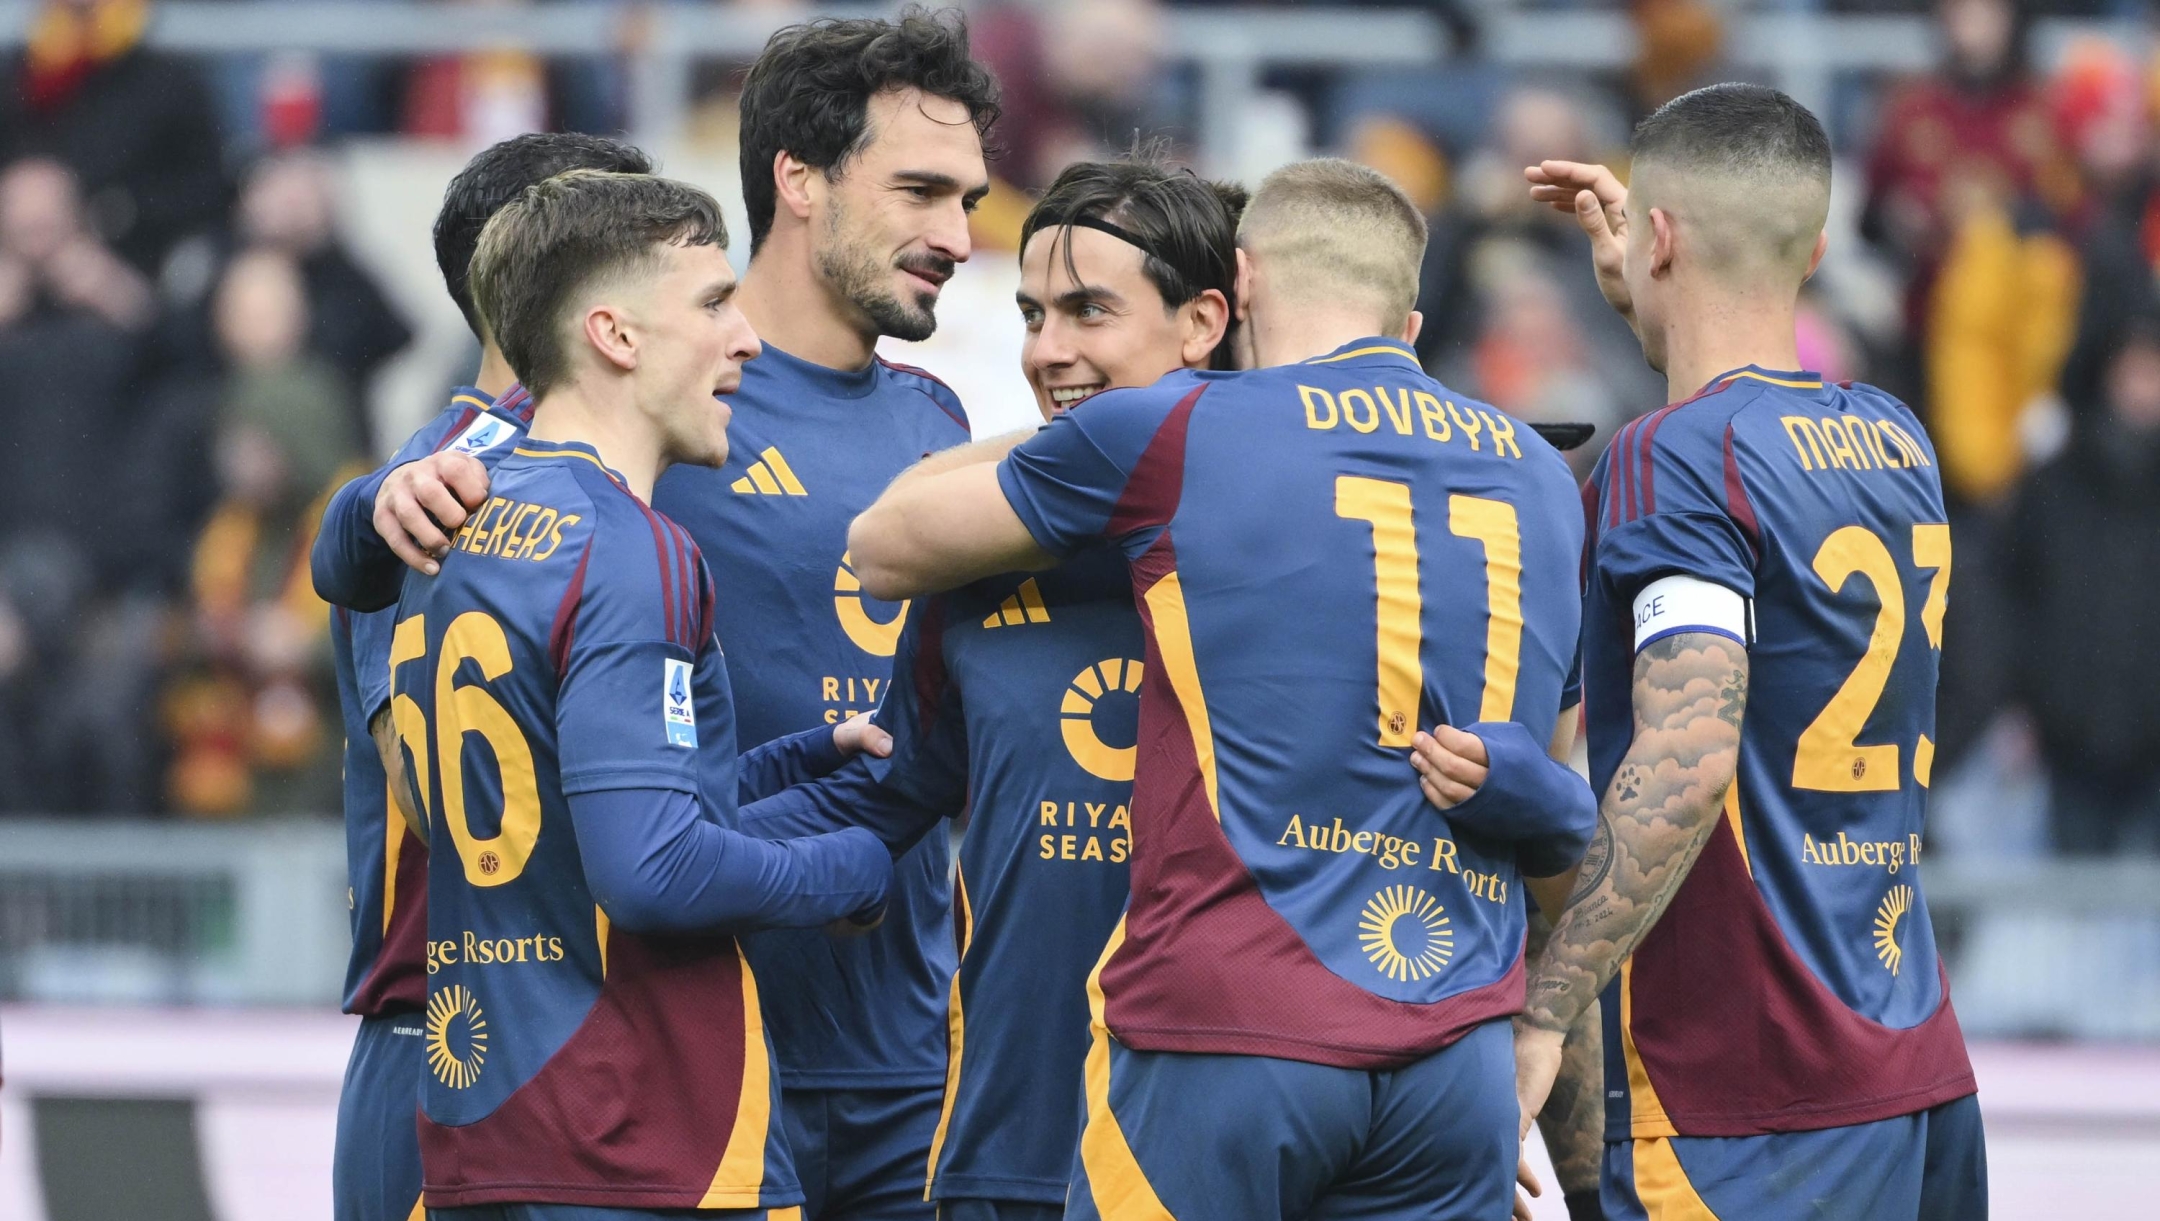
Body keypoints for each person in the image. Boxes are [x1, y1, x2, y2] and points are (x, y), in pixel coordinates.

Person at [327, 14, 1001, 1220]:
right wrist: (381, 496)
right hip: (668, 1047)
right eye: (920, 190)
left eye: (969, 197)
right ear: (799, 179)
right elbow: (375, 548)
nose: (958, 234)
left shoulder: (938, 421)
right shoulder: (622, 411)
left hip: (908, 1053)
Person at [847, 157, 1594, 1221]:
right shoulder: (1536, 471)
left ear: (1235, 292)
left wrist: (1107, 428)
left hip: (1238, 1027)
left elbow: (883, 546)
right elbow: (1555, 796)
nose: (1053, 347)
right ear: (1411, 320)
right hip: (1453, 1055)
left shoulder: (1182, 427)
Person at [1517, 83, 1986, 1219]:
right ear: (1817, 245)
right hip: (1915, 1064)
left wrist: (1540, 1015)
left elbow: (1689, 747)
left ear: (1658, 237)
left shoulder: (1672, 459)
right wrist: (1658, 274)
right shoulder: (1895, 436)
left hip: (1751, 1100)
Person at [399, 168, 895, 1215]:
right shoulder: (634, 550)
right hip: (645, 1138)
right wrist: (848, 869)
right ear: (616, 337)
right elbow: (651, 873)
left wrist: (773, 765)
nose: (748, 340)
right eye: (714, 305)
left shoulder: (458, 522)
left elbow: (553, 795)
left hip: (488, 1130)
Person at [310, 131, 646, 1221]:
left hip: (589, 1034)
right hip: (455, 1034)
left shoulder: (614, 484)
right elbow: (437, 781)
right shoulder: (437, 493)